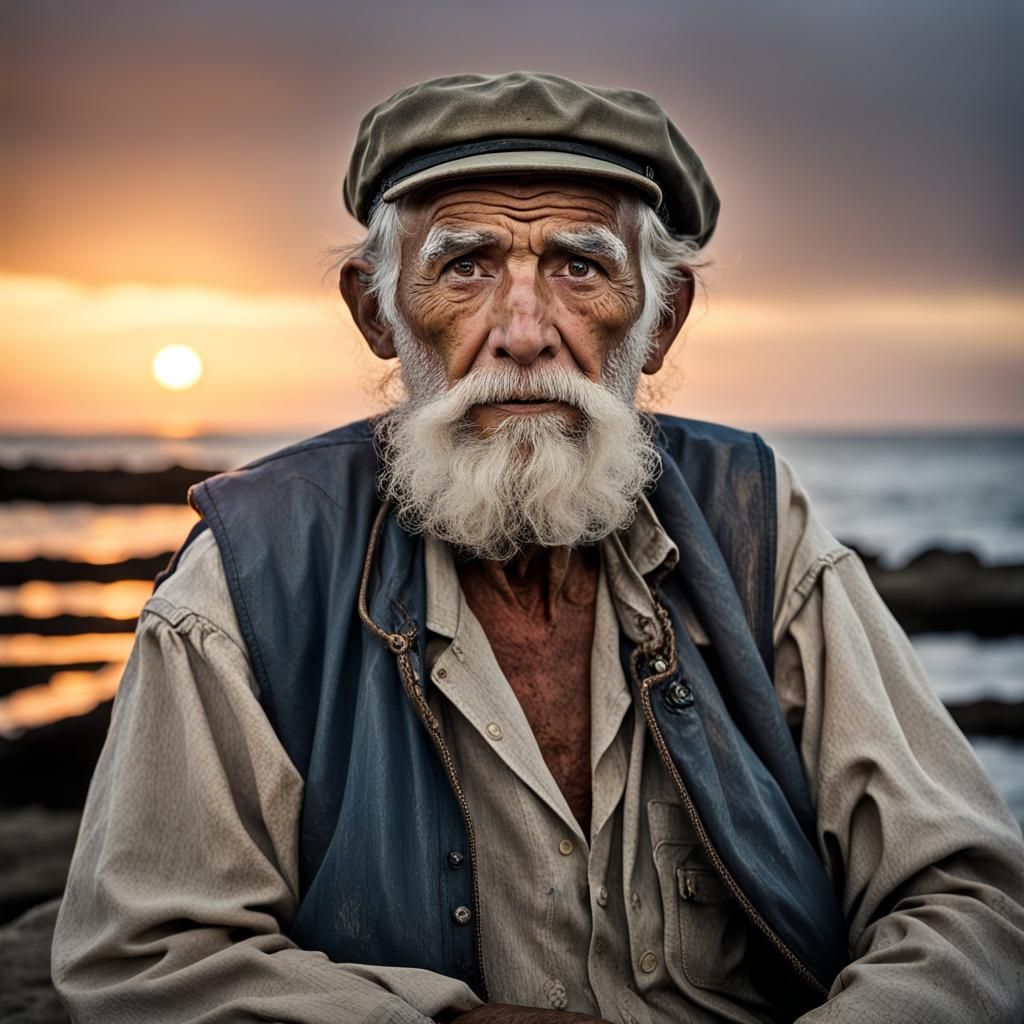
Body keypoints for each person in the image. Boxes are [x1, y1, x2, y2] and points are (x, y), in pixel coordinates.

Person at [52, 72, 1024, 1024]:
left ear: (659, 317)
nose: (523, 332)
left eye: (579, 266)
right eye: (466, 265)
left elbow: (971, 897)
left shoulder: (753, 520)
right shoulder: (253, 571)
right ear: (377, 310)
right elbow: (145, 959)